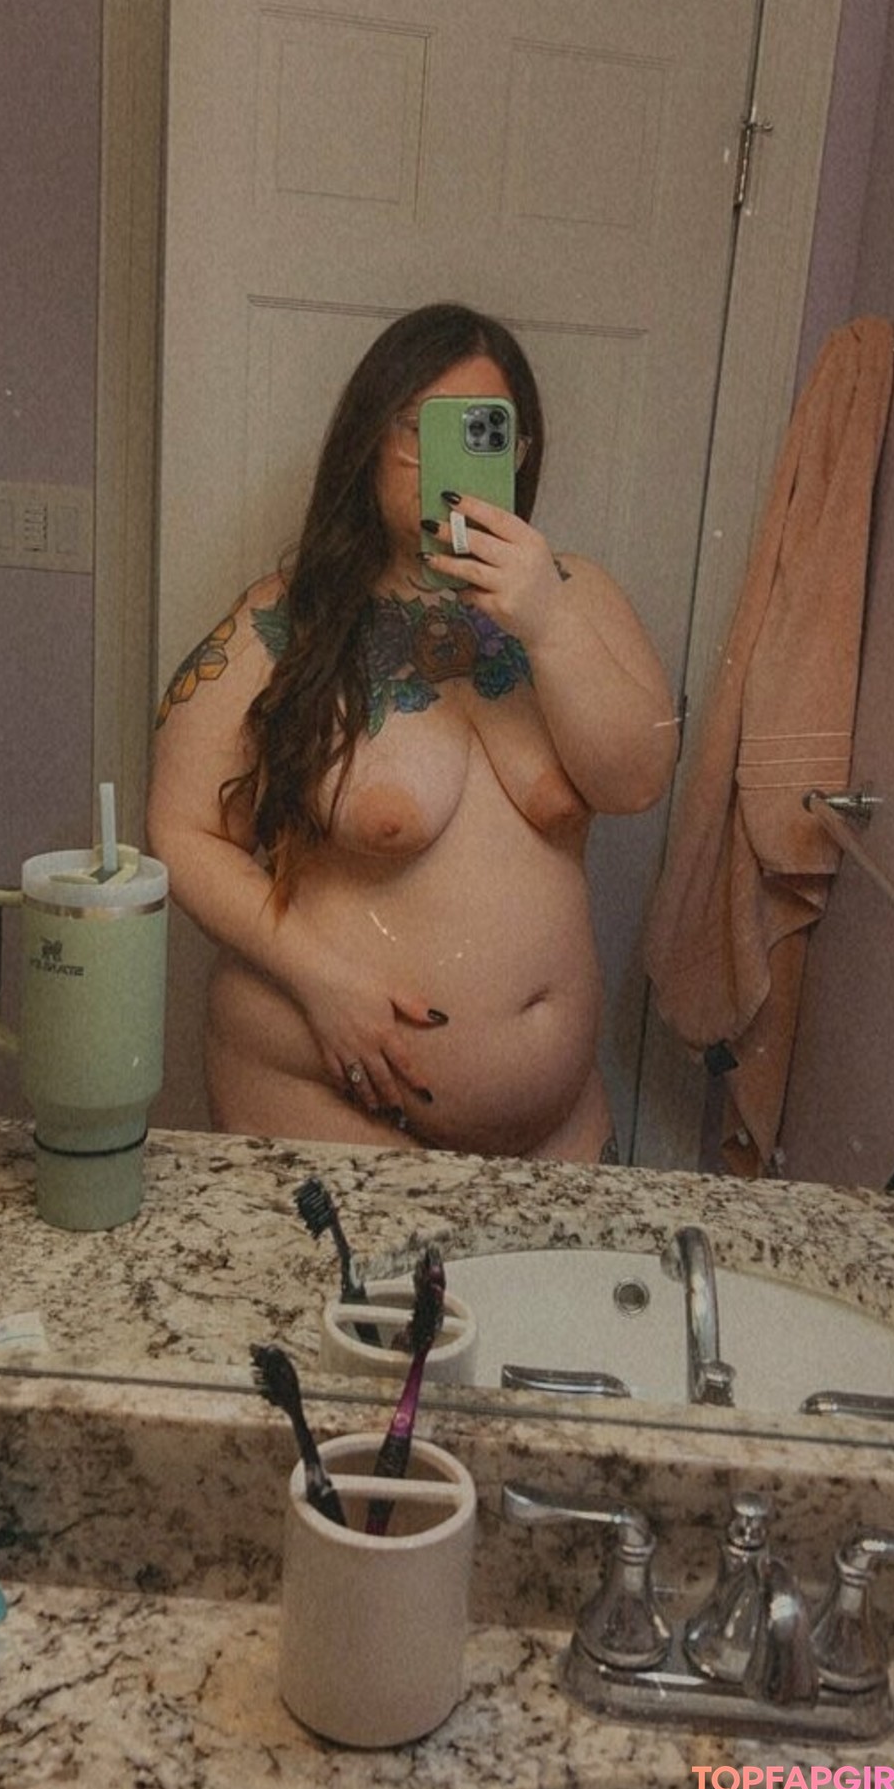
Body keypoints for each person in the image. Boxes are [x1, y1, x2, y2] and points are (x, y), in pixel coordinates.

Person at [147, 303, 677, 1161]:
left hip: (559, 1129)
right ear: (368, 440)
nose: (445, 460)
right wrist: (319, 978)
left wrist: (546, 621)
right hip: (327, 1101)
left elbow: (638, 780)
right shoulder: (285, 619)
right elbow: (179, 829)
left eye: (479, 431)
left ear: (519, 451)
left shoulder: (579, 599)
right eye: (418, 428)